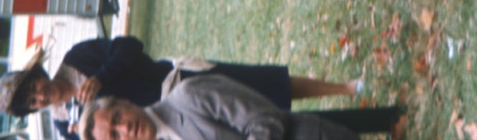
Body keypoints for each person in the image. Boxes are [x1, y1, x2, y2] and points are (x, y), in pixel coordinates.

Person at [0, 36, 364, 140]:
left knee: (268, 90)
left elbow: (131, 46)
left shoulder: (78, 60)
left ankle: (344, 89)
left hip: (181, 89)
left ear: (38, 75)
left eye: (34, 87)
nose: (39, 96)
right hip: (165, 134)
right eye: (32, 102)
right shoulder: (67, 127)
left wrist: (102, 76)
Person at [79, 81, 367, 140]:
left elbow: (265, 119)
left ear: (125, 103)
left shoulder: (187, 96)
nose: (125, 129)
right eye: (115, 137)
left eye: (117, 119)